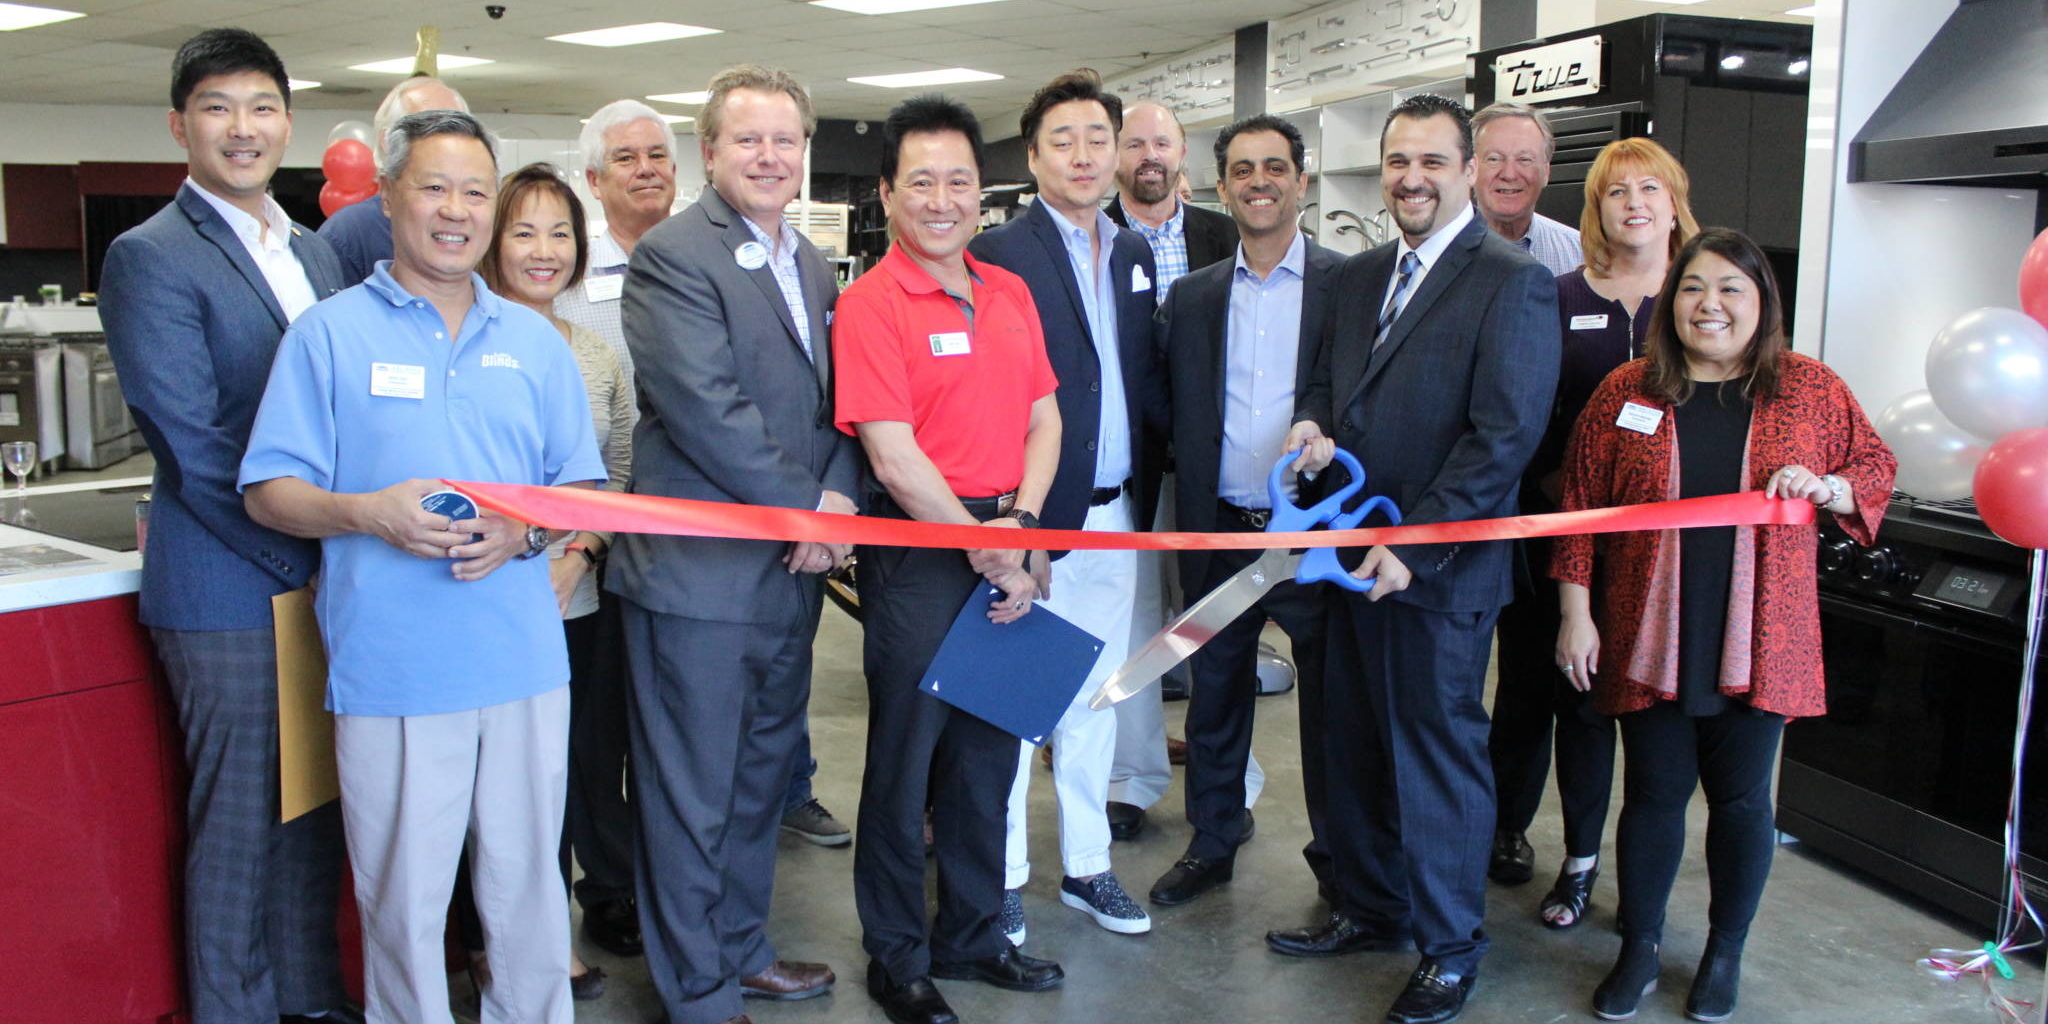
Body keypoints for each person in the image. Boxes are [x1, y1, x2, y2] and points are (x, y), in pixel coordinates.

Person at [239, 109, 605, 1024]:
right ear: (388, 195)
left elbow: (583, 489)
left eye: (475, 192)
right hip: (394, 670)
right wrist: (365, 511)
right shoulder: (327, 336)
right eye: (434, 187)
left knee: (528, 892)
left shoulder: (533, 342)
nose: (456, 211)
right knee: (401, 904)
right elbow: (267, 489)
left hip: (522, 661)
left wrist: (523, 533)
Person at [1552, 228, 1896, 1023]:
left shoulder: (1809, 389)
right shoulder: (1629, 391)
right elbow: (1578, 507)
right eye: (1693, 288)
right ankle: (1638, 948)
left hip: (1763, 635)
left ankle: (1724, 951)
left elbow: (1874, 468)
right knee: (1652, 798)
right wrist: (1575, 613)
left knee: (1743, 804)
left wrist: (1828, 490)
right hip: (1646, 631)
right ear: (1671, 302)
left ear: (1761, 303)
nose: (1710, 305)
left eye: (1730, 289)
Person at [1281, 93, 1560, 1024]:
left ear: (1470, 170)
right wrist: (1312, 426)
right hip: (1346, 559)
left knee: (1435, 758)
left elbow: (1503, 436)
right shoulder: (1356, 277)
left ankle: (1450, 948)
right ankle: (1369, 908)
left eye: (1433, 163)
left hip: (1436, 573)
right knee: (1350, 742)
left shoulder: (1509, 278)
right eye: (1399, 161)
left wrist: (1415, 542)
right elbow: (1326, 382)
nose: (1411, 179)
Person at [98, 28, 357, 1024]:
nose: (241, 128)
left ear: (287, 122)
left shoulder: (310, 249)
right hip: (224, 587)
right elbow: (193, 447)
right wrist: (317, 543)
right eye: (217, 107)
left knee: (310, 812)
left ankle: (308, 997)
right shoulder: (150, 257)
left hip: (321, 571)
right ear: (180, 125)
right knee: (243, 819)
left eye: (260, 107)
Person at [610, 64, 854, 1024]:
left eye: (784, 140)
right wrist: (812, 512)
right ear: (707, 152)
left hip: (790, 576)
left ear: (803, 154)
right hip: (698, 583)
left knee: (760, 781)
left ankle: (744, 949)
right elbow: (705, 410)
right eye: (747, 139)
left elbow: (842, 407)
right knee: (689, 795)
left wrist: (834, 496)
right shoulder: (673, 256)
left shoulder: (815, 266)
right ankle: (698, 993)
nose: (768, 156)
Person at [836, 92, 1065, 1024]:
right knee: (904, 768)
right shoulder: (869, 303)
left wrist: (1026, 529)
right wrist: (989, 549)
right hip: (924, 558)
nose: (942, 198)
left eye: (959, 180)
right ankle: (896, 957)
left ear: (983, 192)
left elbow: (1044, 417)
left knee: (988, 759)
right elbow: (891, 454)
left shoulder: (1008, 290)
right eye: (920, 180)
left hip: (1011, 535)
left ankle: (972, 938)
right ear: (888, 193)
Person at [1488, 136, 1701, 929]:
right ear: (1597, 209)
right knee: (1532, 693)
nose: (1635, 204)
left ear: (1673, 199)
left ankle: (1592, 862)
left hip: (1660, 556)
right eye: (1617, 193)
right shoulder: (1556, 293)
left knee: (1617, 713)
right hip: (1553, 536)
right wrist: (1562, 497)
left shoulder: (1701, 296)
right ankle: (1510, 829)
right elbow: (1525, 410)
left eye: (1650, 188)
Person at [970, 68, 1161, 943]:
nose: (1084, 156)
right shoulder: (1001, 255)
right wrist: (1018, 522)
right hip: (1036, 518)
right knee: (1013, 705)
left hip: (1118, 515)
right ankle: (1002, 874)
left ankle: (1088, 865)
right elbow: (993, 400)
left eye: (1097, 138)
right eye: (1063, 141)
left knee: (1094, 698)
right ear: (1034, 153)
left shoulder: (1130, 251)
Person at [1147, 113, 1342, 909]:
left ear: (1302, 180)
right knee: (1215, 694)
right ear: (1220, 186)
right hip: (1216, 526)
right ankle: (1212, 843)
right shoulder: (1191, 298)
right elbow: (1163, 408)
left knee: (1332, 708)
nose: (1259, 181)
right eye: (1242, 169)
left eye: (1275, 167)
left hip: (1312, 535)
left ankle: (1341, 861)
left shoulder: (1349, 283)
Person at [477, 161, 637, 1001]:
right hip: (487, 601)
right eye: (524, 231)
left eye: (560, 233)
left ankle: (568, 915)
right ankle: (511, 941)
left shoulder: (596, 354)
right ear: (493, 241)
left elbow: (616, 476)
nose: (543, 251)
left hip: (579, 601)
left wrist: (577, 553)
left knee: (579, 765)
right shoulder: (470, 342)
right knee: (504, 784)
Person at [543, 97, 673, 964]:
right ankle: (588, 890)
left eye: (659, 154)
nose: (646, 169)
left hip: (674, 542)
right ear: (595, 179)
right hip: (582, 552)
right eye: (624, 158)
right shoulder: (570, 294)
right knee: (577, 735)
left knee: (641, 730)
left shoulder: (704, 259)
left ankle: (638, 881)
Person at [1105, 98, 1249, 843]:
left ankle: (1235, 781)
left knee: (1217, 623)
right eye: (1135, 144)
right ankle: (1132, 779)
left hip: (1212, 466)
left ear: (1183, 154)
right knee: (1134, 626)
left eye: (1163, 143)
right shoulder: (1096, 238)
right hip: (1130, 464)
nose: (1149, 156)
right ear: (1116, 157)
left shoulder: (1225, 235)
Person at [319, 74, 469, 283]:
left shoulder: (477, 221)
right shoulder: (349, 233)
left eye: (457, 131)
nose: (444, 145)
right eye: (428, 130)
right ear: (387, 141)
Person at [1470, 102, 1580, 277]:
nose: (1509, 174)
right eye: (1494, 159)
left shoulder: (1580, 254)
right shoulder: (1434, 252)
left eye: (1525, 160)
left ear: (1546, 172)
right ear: (1470, 169)